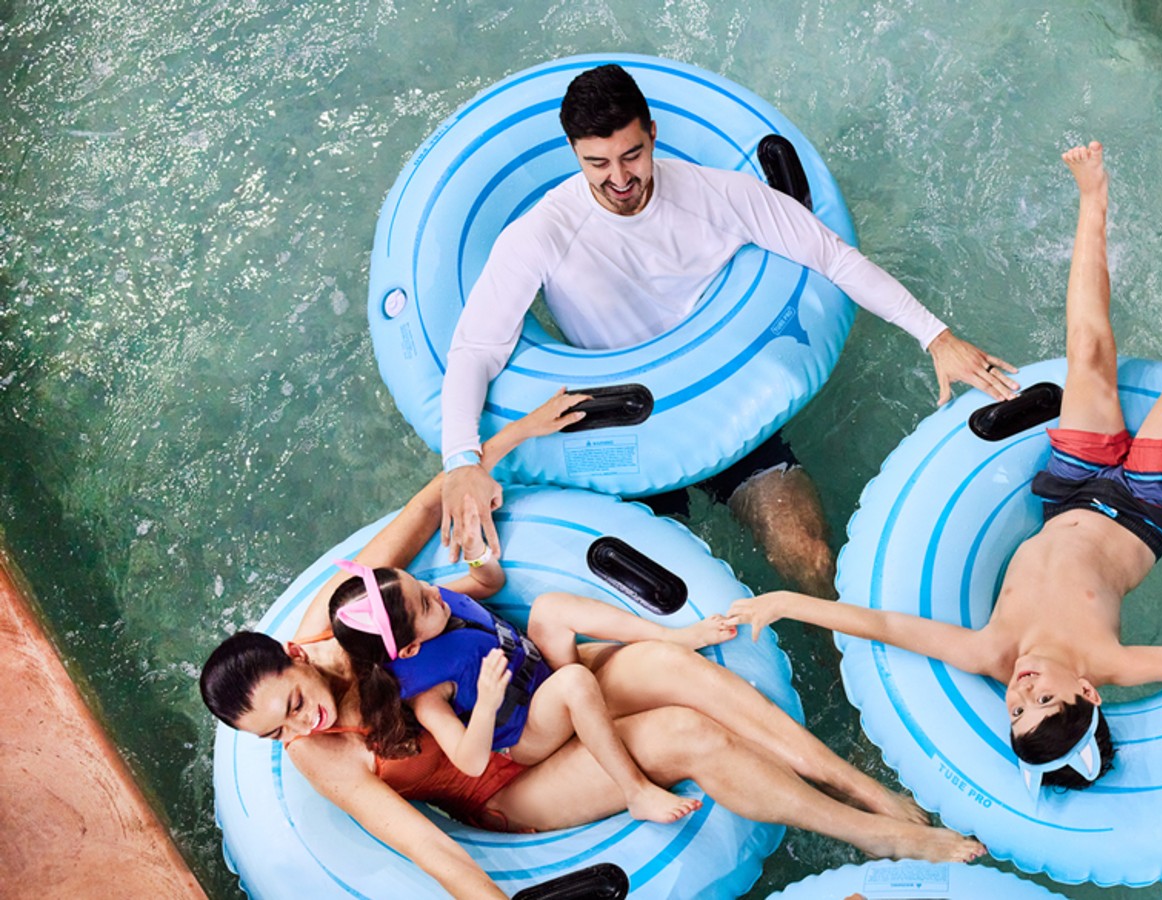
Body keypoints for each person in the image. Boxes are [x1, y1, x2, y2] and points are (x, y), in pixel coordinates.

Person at [729, 144, 1162, 793]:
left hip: (1068, 494)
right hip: (1148, 506)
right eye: (1045, 702)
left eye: (1014, 709)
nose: (1024, 692)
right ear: (1089, 691)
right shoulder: (1109, 660)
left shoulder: (993, 651)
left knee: (1087, 352)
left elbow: (890, 626)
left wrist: (789, 601)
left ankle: (1093, 200)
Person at [201, 392, 984, 900]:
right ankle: (876, 834)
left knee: (667, 665)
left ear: (297, 657)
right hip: (506, 786)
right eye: (275, 731)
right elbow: (427, 849)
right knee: (683, 734)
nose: (297, 730)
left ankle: (867, 789)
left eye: (292, 707)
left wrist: (491, 454)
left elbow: (430, 504)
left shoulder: (343, 617)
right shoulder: (322, 753)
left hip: (531, 698)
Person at [439, 63, 1022, 598]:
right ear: (573, 153)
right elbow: (475, 349)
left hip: (722, 405)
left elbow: (832, 256)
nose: (619, 178)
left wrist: (936, 336)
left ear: (654, 133)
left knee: (809, 556)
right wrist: (462, 459)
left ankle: (842, 665)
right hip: (622, 433)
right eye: (598, 163)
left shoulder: (714, 194)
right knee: (659, 597)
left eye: (632, 155)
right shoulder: (542, 232)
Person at [328, 540, 737, 823]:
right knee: (574, 682)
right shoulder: (427, 696)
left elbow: (490, 581)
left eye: (418, 583)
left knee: (550, 607)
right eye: (423, 602)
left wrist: (477, 555)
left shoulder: (431, 605)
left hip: (537, 675)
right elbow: (469, 763)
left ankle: (675, 635)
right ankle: (635, 792)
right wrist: (486, 704)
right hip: (525, 735)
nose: (433, 592)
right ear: (411, 649)